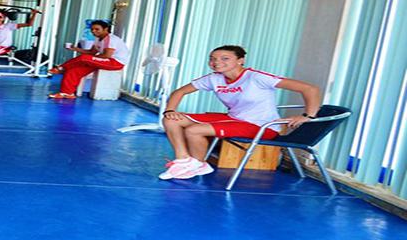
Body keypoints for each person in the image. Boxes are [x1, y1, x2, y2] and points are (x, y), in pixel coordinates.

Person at [159, 45, 321, 180]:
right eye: (212, 58)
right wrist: (170, 110)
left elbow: (310, 89)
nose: (217, 62)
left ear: (241, 60)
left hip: (261, 126)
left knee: (194, 130)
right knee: (171, 119)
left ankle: (199, 165)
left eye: (225, 58)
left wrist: (307, 116)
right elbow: (179, 92)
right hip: (234, 119)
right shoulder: (213, 78)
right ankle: (183, 160)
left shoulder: (256, 77)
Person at [47, 20, 129, 99]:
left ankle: (61, 68)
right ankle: (67, 93)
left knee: (84, 58)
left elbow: (106, 55)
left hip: (115, 63)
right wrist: (75, 49)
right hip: (104, 61)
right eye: (92, 29)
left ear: (106, 29)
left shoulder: (110, 39)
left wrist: (91, 59)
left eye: (97, 29)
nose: (93, 31)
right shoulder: (98, 39)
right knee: (73, 71)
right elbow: (92, 52)